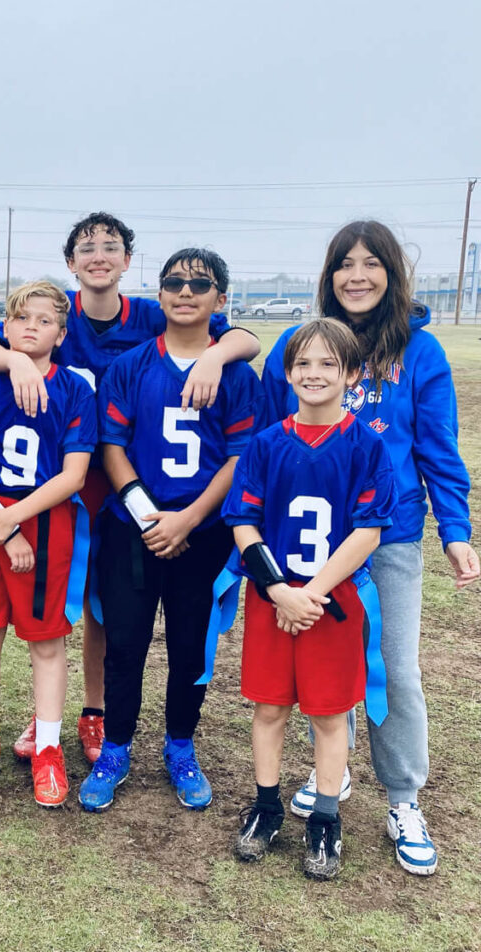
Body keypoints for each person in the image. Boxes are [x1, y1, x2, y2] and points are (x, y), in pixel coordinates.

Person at [0, 212, 260, 763]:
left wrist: (218, 353)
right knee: (54, 598)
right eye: (86, 247)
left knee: (105, 606)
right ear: (70, 261)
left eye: (111, 246)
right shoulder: (53, 311)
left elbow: (244, 338)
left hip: (126, 479)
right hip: (61, 478)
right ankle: (44, 713)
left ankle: (94, 712)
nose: (98, 255)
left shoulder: (155, 313)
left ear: (129, 261)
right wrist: (15, 361)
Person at [261, 220, 480, 876]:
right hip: (307, 543)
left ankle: (405, 798)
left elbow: (437, 449)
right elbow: (270, 436)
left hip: (388, 539)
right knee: (323, 665)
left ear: (391, 272)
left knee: (394, 669)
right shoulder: (297, 346)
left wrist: (457, 532)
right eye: (344, 264)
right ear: (328, 275)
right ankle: (334, 774)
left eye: (370, 263)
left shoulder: (422, 352)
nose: (357, 275)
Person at [82, 249, 261, 813]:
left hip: (202, 530)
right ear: (159, 296)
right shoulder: (131, 365)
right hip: (133, 528)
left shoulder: (234, 373)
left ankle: (180, 745)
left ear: (220, 299)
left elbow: (239, 457)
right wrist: (147, 515)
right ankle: (115, 748)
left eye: (200, 284)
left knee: (190, 649)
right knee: (124, 646)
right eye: (174, 283)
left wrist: (188, 518)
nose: (186, 292)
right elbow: (111, 446)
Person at [227, 318, 396, 879]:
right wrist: (278, 589)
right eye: (304, 364)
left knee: (328, 712)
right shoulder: (266, 443)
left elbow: (368, 530)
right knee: (270, 706)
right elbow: (244, 522)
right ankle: (267, 805)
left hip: (332, 603)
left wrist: (310, 594)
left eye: (328, 364)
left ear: (352, 374)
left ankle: (326, 818)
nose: (314, 373)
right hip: (274, 597)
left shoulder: (367, 445)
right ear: (288, 372)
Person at [0, 282, 96, 807]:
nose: (31, 327)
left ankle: (49, 748)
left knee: (46, 641)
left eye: (44, 320)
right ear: (4, 329)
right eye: (20, 318)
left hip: (43, 520)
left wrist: (16, 519)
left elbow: (74, 475)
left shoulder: (75, 390)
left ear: (61, 332)